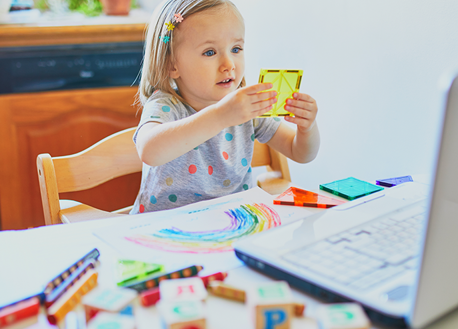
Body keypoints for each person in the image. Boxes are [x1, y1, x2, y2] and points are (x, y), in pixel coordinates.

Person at [132, 0, 320, 214]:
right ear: (171, 64)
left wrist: (307, 128)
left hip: (235, 222)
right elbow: (149, 151)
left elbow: (302, 153)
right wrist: (221, 116)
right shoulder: (166, 105)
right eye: (210, 52)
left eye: (236, 49)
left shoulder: (247, 107)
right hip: (168, 230)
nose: (229, 64)